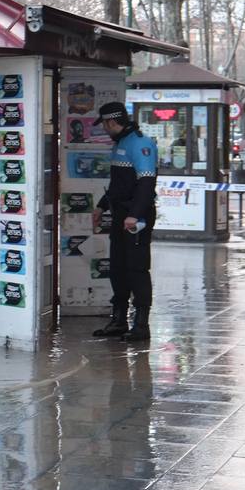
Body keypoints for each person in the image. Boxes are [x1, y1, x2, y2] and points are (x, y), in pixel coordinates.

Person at [92, 101, 159, 342]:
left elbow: (146, 183)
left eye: (105, 125)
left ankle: (141, 325)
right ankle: (119, 320)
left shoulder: (140, 144)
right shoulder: (121, 143)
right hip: (120, 215)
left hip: (136, 217)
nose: (105, 130)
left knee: (137, 269)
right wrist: (101, 206)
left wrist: (135, 214)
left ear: (111, 121)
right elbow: (118, 186)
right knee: (118, 268)